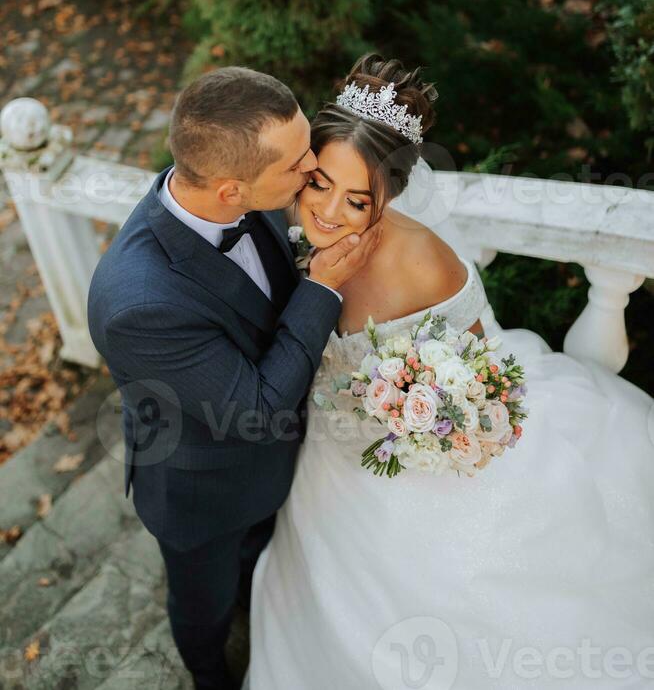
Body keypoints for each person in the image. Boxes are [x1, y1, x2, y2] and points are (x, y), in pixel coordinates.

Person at [248, 53, 654, 690]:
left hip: (419, 454)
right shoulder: (288, 229)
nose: (326, 212)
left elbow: (483, 364)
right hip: (330, 460)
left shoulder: (423, 263)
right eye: (318, 183)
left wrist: (444, 416)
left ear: (389, 195)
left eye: (357, 201)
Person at [87, 66, 381, 690]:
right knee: (204, 607)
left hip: (276, 471)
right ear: (229, 191)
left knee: (259, 557)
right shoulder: (138, 305)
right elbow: (261, 410)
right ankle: (205, 672)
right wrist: (324, 286)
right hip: (203, 492)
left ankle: (258, 596)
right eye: (299, 165)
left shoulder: (237, 187)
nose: (314, 168)